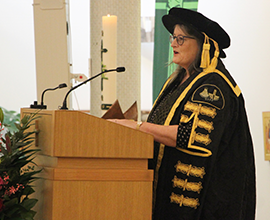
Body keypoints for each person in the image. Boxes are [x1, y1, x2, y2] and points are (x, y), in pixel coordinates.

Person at [109, 7, 256, 220]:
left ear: (203, 44)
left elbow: (192, 136)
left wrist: (139, 127)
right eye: (173, 38)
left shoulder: (212, 86)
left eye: (181, 39)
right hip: (169, 196)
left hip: (206, 202)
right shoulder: (177, 82)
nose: (173, 44)